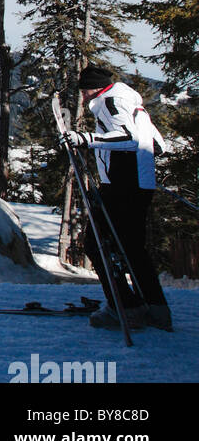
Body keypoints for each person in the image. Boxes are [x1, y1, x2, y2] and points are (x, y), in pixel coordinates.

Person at [61, 63, 171, 332]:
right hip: (140, 183)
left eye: (85, 91)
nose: (84, 96)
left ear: (95, 88)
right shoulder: (131, 101)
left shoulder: (111, 102)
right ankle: (155, 308)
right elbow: (159, 145)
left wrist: (86, 139)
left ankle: (125, 308)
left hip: (123, 184)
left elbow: (128, 137)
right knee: (134, 248)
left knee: (96, 244)